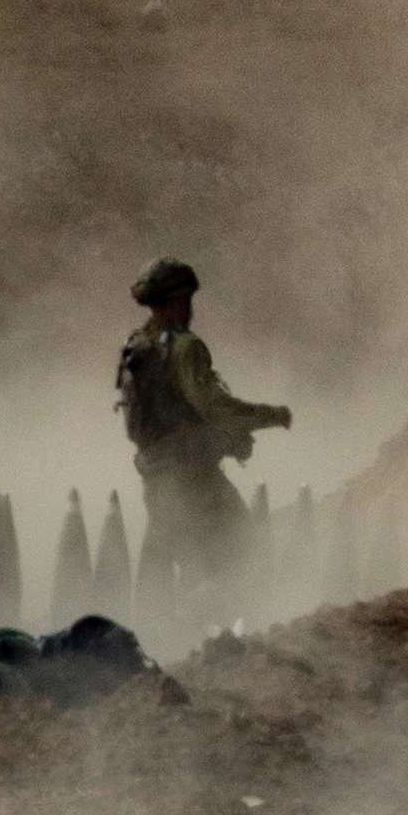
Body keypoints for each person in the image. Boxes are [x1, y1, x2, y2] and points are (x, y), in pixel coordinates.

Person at [117, 257, 290, 608]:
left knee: (189, 574)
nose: (189, 309)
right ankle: (218, 649)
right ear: (178, 300)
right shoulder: (185, 347)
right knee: (243, 560)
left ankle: (190, 649)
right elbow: (214, 406)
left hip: (157, 483)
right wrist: (272, 416)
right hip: (195, 484)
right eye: (186, 300)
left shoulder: (137, 345)